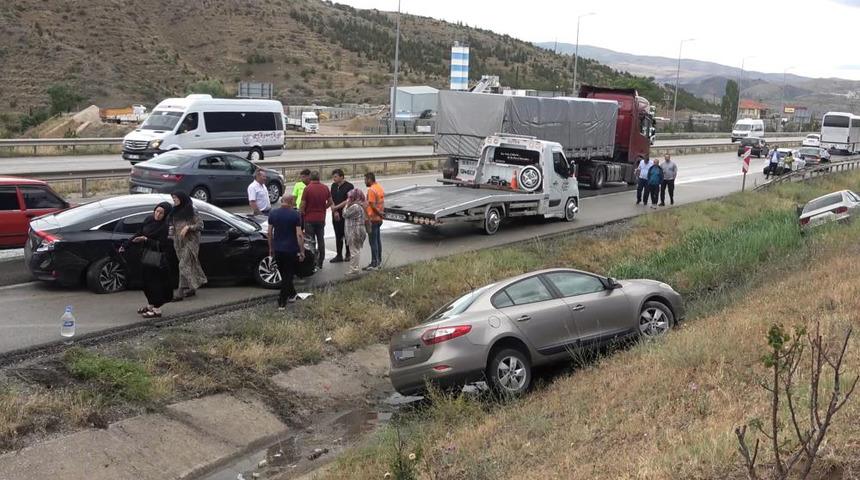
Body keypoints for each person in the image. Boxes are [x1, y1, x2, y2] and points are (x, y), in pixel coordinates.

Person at [124, 202, 174, 318]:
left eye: (161, 213)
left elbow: (164, 245)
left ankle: (157, 309)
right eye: (156, 211)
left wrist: (146, 240)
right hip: (145, 256)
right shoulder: (149, 220)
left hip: (157, 259)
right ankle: (150, 305)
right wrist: (128, 243)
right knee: (146, 283)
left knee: (155, 283)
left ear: (165, 214)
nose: (158, 214)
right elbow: (140, 232)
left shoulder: (166, 227)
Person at [268, 195, 305, 309]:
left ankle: (292, 294)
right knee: (288, 275)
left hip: (278, 248)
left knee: (284, 273)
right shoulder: (295, 214)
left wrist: (271, 248)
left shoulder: (273, 213)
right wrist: (302, 250)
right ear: (291, 202)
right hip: (290, 249)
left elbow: (269, 233)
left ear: (282, 201)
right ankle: (282, 301)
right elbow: (299, 234)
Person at [169, 190, 207, 301]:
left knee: (183, 265)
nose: (174, 200)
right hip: (178, 242)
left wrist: (188, 227)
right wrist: (171, 234)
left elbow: (200, 225)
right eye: (173, 198)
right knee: (187, 266)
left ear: (182, 198)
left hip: (191, 242)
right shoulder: (175, 210)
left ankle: (180, 292)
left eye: (176, 198)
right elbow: (172, 225)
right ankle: (192, 288)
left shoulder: (192, 210)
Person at [300, 170, 332, 271]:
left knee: (310, 242)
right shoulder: (325, 188)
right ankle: (320, 262)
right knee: (321, 240)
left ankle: (312, 261)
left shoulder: (307, 189)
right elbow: (330, 202)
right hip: (321, 218)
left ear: (310, 178)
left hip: (309, 219)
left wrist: (303, 212)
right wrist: (323, 208)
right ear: (319, 177)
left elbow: (302, 205)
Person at [329, 168, 354, 263]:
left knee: (347, 234)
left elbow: (348, 200)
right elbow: (331, 199)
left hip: (346, 214)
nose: (334, 179)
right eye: (333, 177)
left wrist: (336, 208)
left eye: (335, 177)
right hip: (336, 214)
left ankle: (348, 253)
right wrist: (334, 210)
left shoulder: (349, 186)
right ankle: (339, 254)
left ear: (342, 177)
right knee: (338, 234)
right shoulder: (333, 186)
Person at [342, 188, 367, 276]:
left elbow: (344, 214)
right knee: (356, 250)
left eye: (350, 197)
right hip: (357, 230)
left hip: (355, 231)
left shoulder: (355, 207)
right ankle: (354, 268)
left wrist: (346, 205)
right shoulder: (359, 205)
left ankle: (354, 269)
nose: (348, 199)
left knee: (354, 251)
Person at [364, 172, 385, 270]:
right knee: (377, 241)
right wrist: (381, 214)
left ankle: (374, 263)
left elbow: (372, 205)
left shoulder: (371, 190)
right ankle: (379, 261)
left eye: (365, 179)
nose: (364, 181)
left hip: (373, 219)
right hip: (378, 219)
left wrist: (379, 213)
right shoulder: (379, 187)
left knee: (373, 242)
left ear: (369, 179)